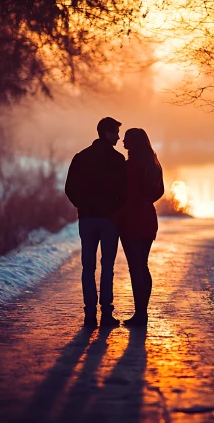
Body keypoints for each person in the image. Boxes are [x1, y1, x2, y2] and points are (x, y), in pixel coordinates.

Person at [65, 117, 127, 328]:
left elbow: (70, 188)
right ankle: (106, 314)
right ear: (107, 133)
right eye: (116, 132)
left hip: (87, 219)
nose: (119, 137)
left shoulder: (81, 157)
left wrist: (82, 205)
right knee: (107, 266)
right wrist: (116, 208)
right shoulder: (118, 160)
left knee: (87, 267)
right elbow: (125, 191)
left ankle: (89, 314)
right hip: (110, 220)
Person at [117, 128, 164, 327]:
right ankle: (142, 312)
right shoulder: (154, 163)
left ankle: (140, 314)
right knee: (142, 265)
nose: (123, 142)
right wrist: (147, 201)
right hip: (148, 218)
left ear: (134, 142)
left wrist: (119, 216)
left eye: (126, 139)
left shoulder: (130, 166)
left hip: (132, 220)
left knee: (135, 267)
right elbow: (159, 191)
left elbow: (128, 195)